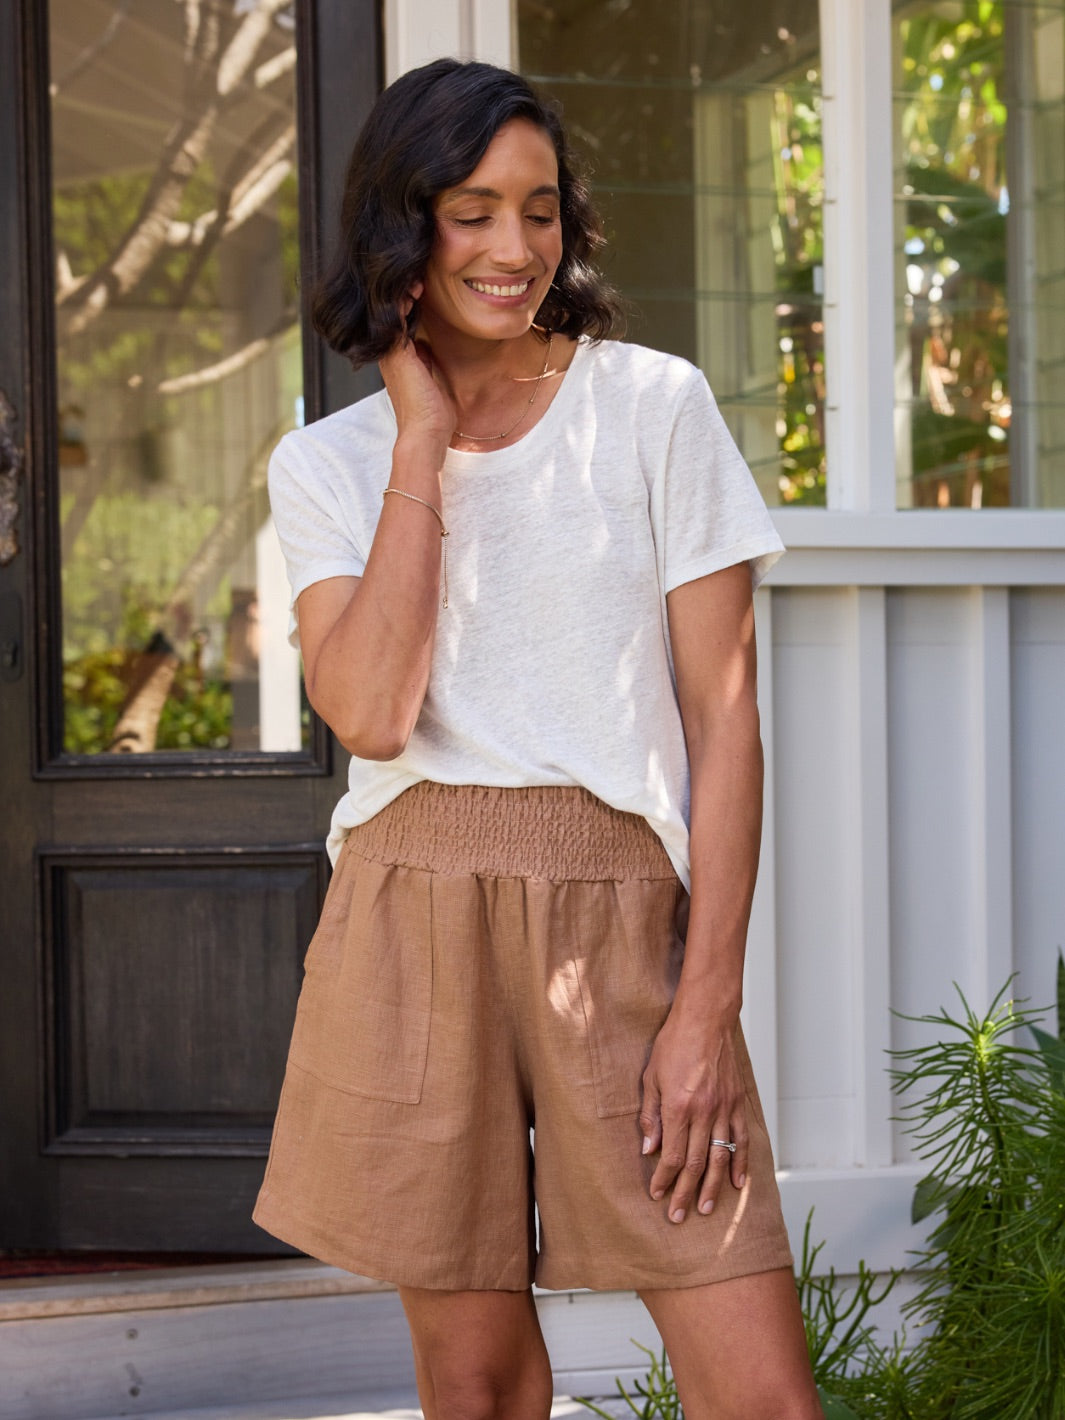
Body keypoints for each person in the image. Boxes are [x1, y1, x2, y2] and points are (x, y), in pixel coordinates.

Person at [254, 57, 822, 1420]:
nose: (515, 249)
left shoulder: (651, 409)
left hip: (619, 919)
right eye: (471, 211)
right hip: (407, 921)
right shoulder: (325, 465)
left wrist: (705, 1007)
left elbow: (725, 720)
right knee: (478, 1386)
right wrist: (419, 439)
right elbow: (376, 712)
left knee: (757, 1393)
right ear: (401, 228)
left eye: (539, 210)